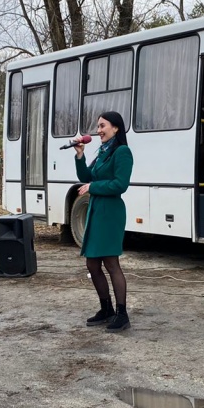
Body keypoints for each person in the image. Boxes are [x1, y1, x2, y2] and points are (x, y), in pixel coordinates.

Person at [73, 111, 134, 332]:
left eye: (102, 126)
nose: (98, 130)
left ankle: (122, 313)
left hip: (110, 213)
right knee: (92, 264)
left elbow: (120, 185)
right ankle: (106, 308)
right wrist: (80, 155)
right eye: (98, 126)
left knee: (111, 263)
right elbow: (86, 177)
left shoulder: (122, 152)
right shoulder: (102, 151)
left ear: (115, 128)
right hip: (97, 211)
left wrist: (93, 188)